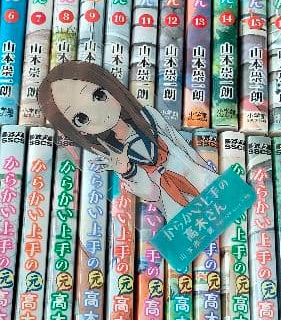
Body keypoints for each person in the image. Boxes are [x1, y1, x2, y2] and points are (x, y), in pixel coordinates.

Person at [38, 61, 216, 224]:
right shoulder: (114, 155)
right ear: (79, 131)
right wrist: (128, 171)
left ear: (111, 88)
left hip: (201, 178)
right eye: (81, 118)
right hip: (175, 204)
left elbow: (181, 145)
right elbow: (151, 194)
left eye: (99, 95)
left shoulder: (149, 116)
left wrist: (205, 170)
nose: (98, 112)